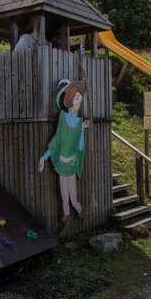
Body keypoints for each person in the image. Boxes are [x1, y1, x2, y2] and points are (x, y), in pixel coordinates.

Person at [38, 79, 90, 224]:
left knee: (73, 196)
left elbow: (80, 147)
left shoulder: (80, 122)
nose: (79, 101)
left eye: (80, 99)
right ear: (70, 97)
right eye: (77, 98)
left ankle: (80, 211)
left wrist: (82, 131)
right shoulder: (62, 116)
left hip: (71, 165)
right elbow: (57, 140)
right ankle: (66, 215)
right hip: (62, 164)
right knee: (64, 196)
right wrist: (45, 156)